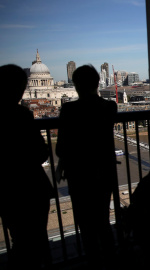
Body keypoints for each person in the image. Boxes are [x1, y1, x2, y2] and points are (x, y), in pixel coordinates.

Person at [56, 65, 118, 269]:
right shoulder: (110, 107)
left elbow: (62, 147)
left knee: (86, 224)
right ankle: (111, 260)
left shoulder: (68, 110)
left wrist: (62, 165)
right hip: (103, 171)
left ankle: (94, 262)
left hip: (79, 174)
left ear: (76, 85)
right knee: (103, 220)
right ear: (98, 82)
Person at [0, 64, 54, 269]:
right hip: (31, 188)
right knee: (38, 238)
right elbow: (39, 153)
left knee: (18, 240)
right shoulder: (20, 114)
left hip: (7, 192)